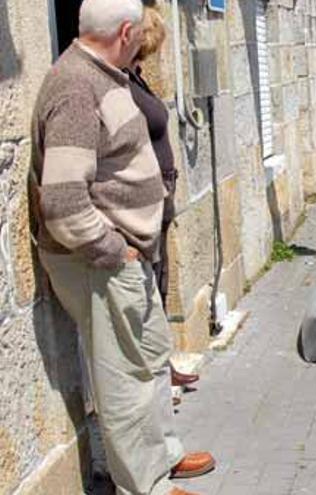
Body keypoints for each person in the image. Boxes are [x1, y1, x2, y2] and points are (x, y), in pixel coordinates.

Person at [31, 1, 213, 493]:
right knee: (125, 382)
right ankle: (146, 485)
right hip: (104, 263)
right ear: (127, 31)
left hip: (128, 255)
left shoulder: (103, 74)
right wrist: (115, 251)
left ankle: (163, 458)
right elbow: (65, 203)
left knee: (150, 359)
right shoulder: (75, 86)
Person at [124, 6, 200, 393]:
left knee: (160, 279)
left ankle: (162, 364)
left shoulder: (136, 78)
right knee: (148, 284)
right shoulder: (121, 82)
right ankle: (153, 374)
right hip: (142, 204)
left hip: (159, 198)